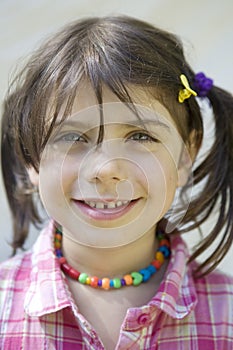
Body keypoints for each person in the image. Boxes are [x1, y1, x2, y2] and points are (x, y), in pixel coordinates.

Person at [0, 15, 233, 350]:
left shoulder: (225, 313)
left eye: (140, 135)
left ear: (185, 155)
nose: (106, 169)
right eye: (73, 137)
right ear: (31, 157)